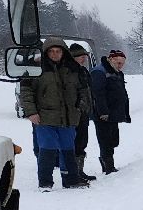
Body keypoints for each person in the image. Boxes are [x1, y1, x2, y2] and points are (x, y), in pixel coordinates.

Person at [19, 37, 91, 190]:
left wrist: (81, 106)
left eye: (58, 51)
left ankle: (70, 180)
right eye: (51, 51)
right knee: (47, 150)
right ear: (46, 52)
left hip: (68, 117)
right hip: (45, 118)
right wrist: (31, 112)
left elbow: (83, 90)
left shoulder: (73, 69)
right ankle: (45, 182)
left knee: (68, 150)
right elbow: (26, 92)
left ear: (64, 52)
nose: (55, 54)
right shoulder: (35, 69)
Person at [91, 49, 132, 175]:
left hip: (114, 113)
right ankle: (108, 166)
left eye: (122, 63)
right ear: (111, 60)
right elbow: (98, 94)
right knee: (105, 140)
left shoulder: (118, 72)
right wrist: (103, 112)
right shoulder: (99, 72)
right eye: (118, 62)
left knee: (114, 140)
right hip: (102, 114)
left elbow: (122, 92)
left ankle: (107, 162)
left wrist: (125, 112)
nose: (120, 65)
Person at [68, 43, 97, 182]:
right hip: (74, 113)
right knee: (75, 142)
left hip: (84, 112)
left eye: (84, 56)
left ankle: (79, 171)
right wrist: (77, 107)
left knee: (82, 142)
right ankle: (73, 173)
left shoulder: (83, 71)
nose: (83, 59)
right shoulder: (69, 72)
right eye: (80, 56)